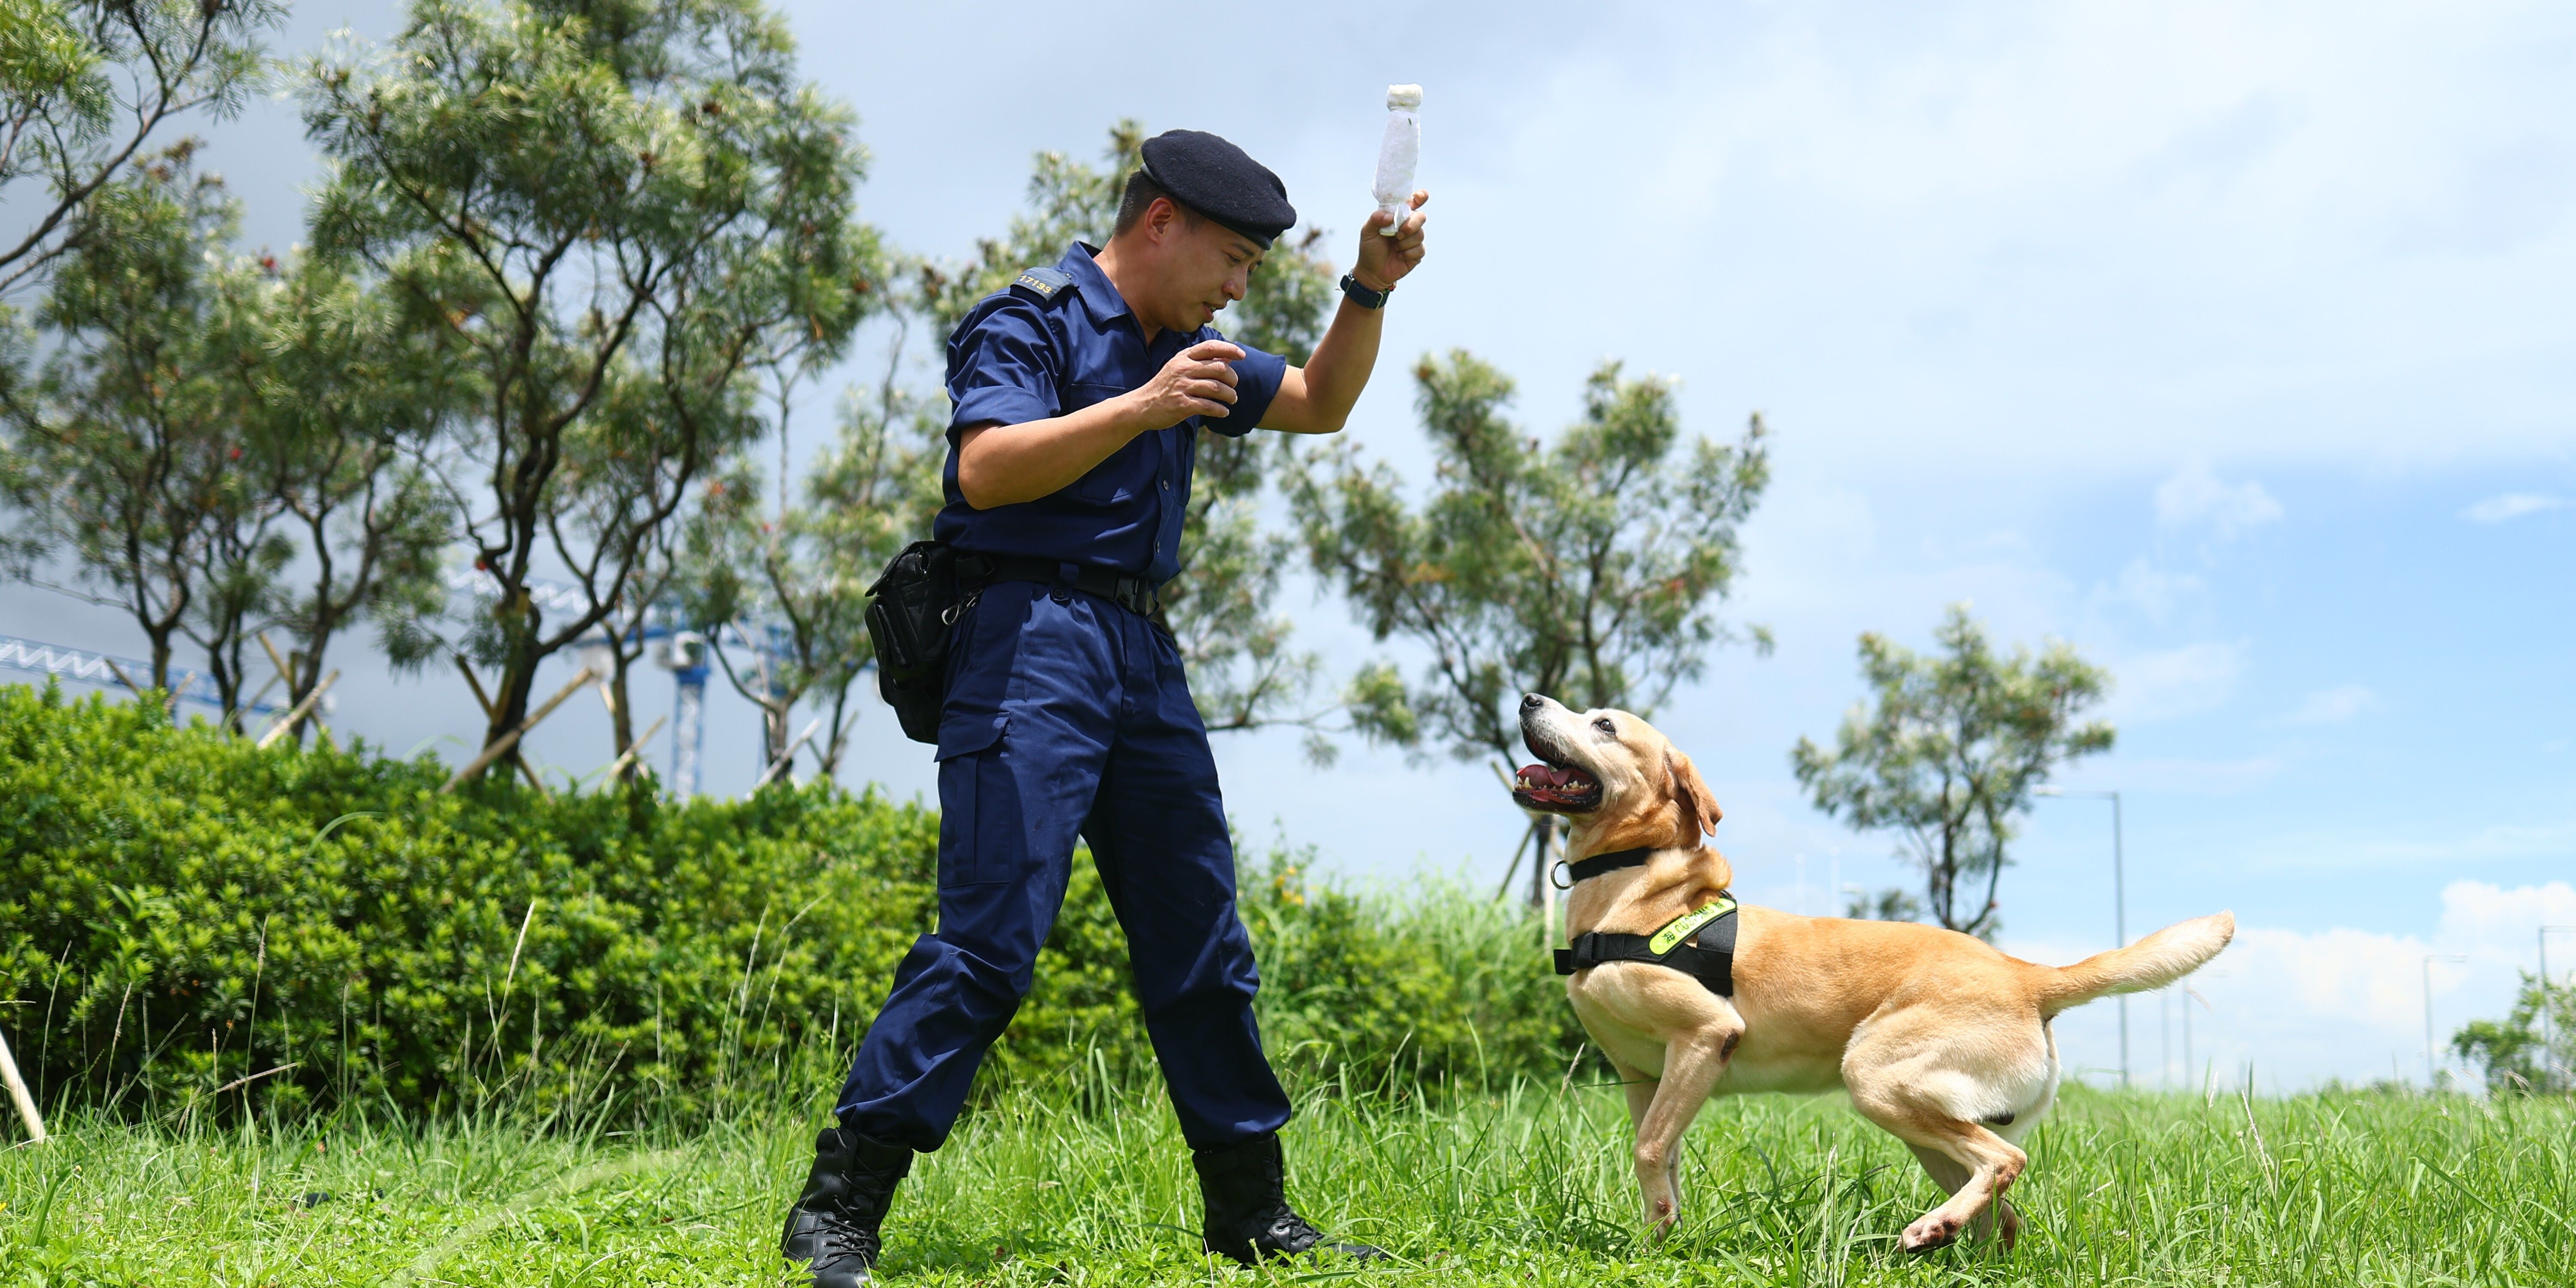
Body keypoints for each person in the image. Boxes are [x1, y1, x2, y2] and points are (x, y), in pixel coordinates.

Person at [780, 129, 1430, 1285]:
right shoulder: (1028, 317)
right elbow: (986, 469)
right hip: (1026, 639)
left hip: (1141, 652)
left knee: (1202, 940)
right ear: (1159, 221)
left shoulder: (1195, 349)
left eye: (1250, 274)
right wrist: (1139, 407)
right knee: (991, 943)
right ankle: (842, 1205)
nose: (1236, 290)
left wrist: (1370, 286)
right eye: (1230, 259)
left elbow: (1325, 401)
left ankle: (1249, 1214)